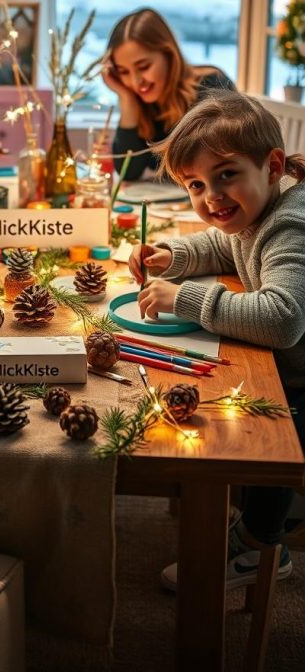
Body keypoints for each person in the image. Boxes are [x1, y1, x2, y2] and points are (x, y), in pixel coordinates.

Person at [129, 92, 305, 590]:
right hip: (291, 368)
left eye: (226, 175)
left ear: (272, 166)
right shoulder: (258, 210)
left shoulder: (291, 225)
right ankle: (254, 522)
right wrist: (173, 255)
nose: (212, 198)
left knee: (261, 430)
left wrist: (184, 298)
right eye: (197, 185)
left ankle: (259, 544)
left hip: (301, 385)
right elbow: (222, 242)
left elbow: (283, 319)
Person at [103, 8, 234, 180]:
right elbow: (129, 173)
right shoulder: (139, 100)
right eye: (124, 72)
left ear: (169, 55)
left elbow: (220, 169)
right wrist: (127, 100)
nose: (135, 82)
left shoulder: (212, 85)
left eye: (143, 67)